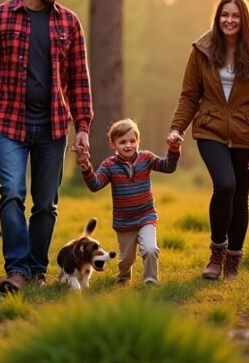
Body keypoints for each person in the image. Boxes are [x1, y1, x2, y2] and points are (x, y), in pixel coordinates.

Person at [0, 0, 92, 294]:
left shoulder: (69, 22)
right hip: (9, 124)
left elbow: (79, 80)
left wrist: (82, 126)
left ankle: (37, 268)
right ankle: (18, 269)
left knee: (45, 204)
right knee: (10, 194)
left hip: (53, 126)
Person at [167, 0, 249, 281]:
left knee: (240, 197)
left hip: (245, 133)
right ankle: (216, 254)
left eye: (235, 16)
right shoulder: (201, 51)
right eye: (224, 15)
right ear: (217, 18)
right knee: (225, 185)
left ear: (244, 21)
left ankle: (233, 262)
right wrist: (177, 128)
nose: (229, 20)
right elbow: (189, 95)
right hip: (210, 129)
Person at [78, 118, 181, 285]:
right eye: (122, 142)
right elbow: (95, 185)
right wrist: (86, 167)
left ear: (138, 141)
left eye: (132, 141)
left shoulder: (146, 158)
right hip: (124, 221)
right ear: (113, 145)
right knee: (127, 259)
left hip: (146, 216)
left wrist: (174, 150)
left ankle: (150, 281)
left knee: (150, 249)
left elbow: (168, 167)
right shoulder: (109, 165)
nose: (128, 145)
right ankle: (123, 277)